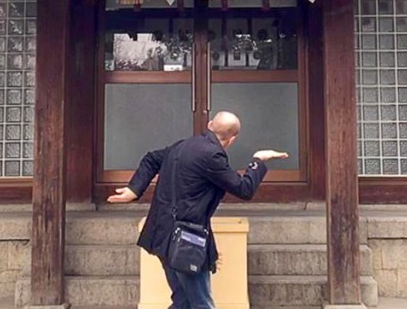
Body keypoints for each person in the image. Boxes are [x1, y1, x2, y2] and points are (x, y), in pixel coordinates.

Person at [106, 111, 289, 309]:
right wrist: (258, 161)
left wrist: (134, 189)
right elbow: (244, 189)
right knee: (201, 303)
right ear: (232, 139)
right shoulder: (212, 155)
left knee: (183, 301)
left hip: (161, 234)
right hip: (185, 240)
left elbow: (151, 159)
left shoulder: (181, 146)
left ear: (210, 124)